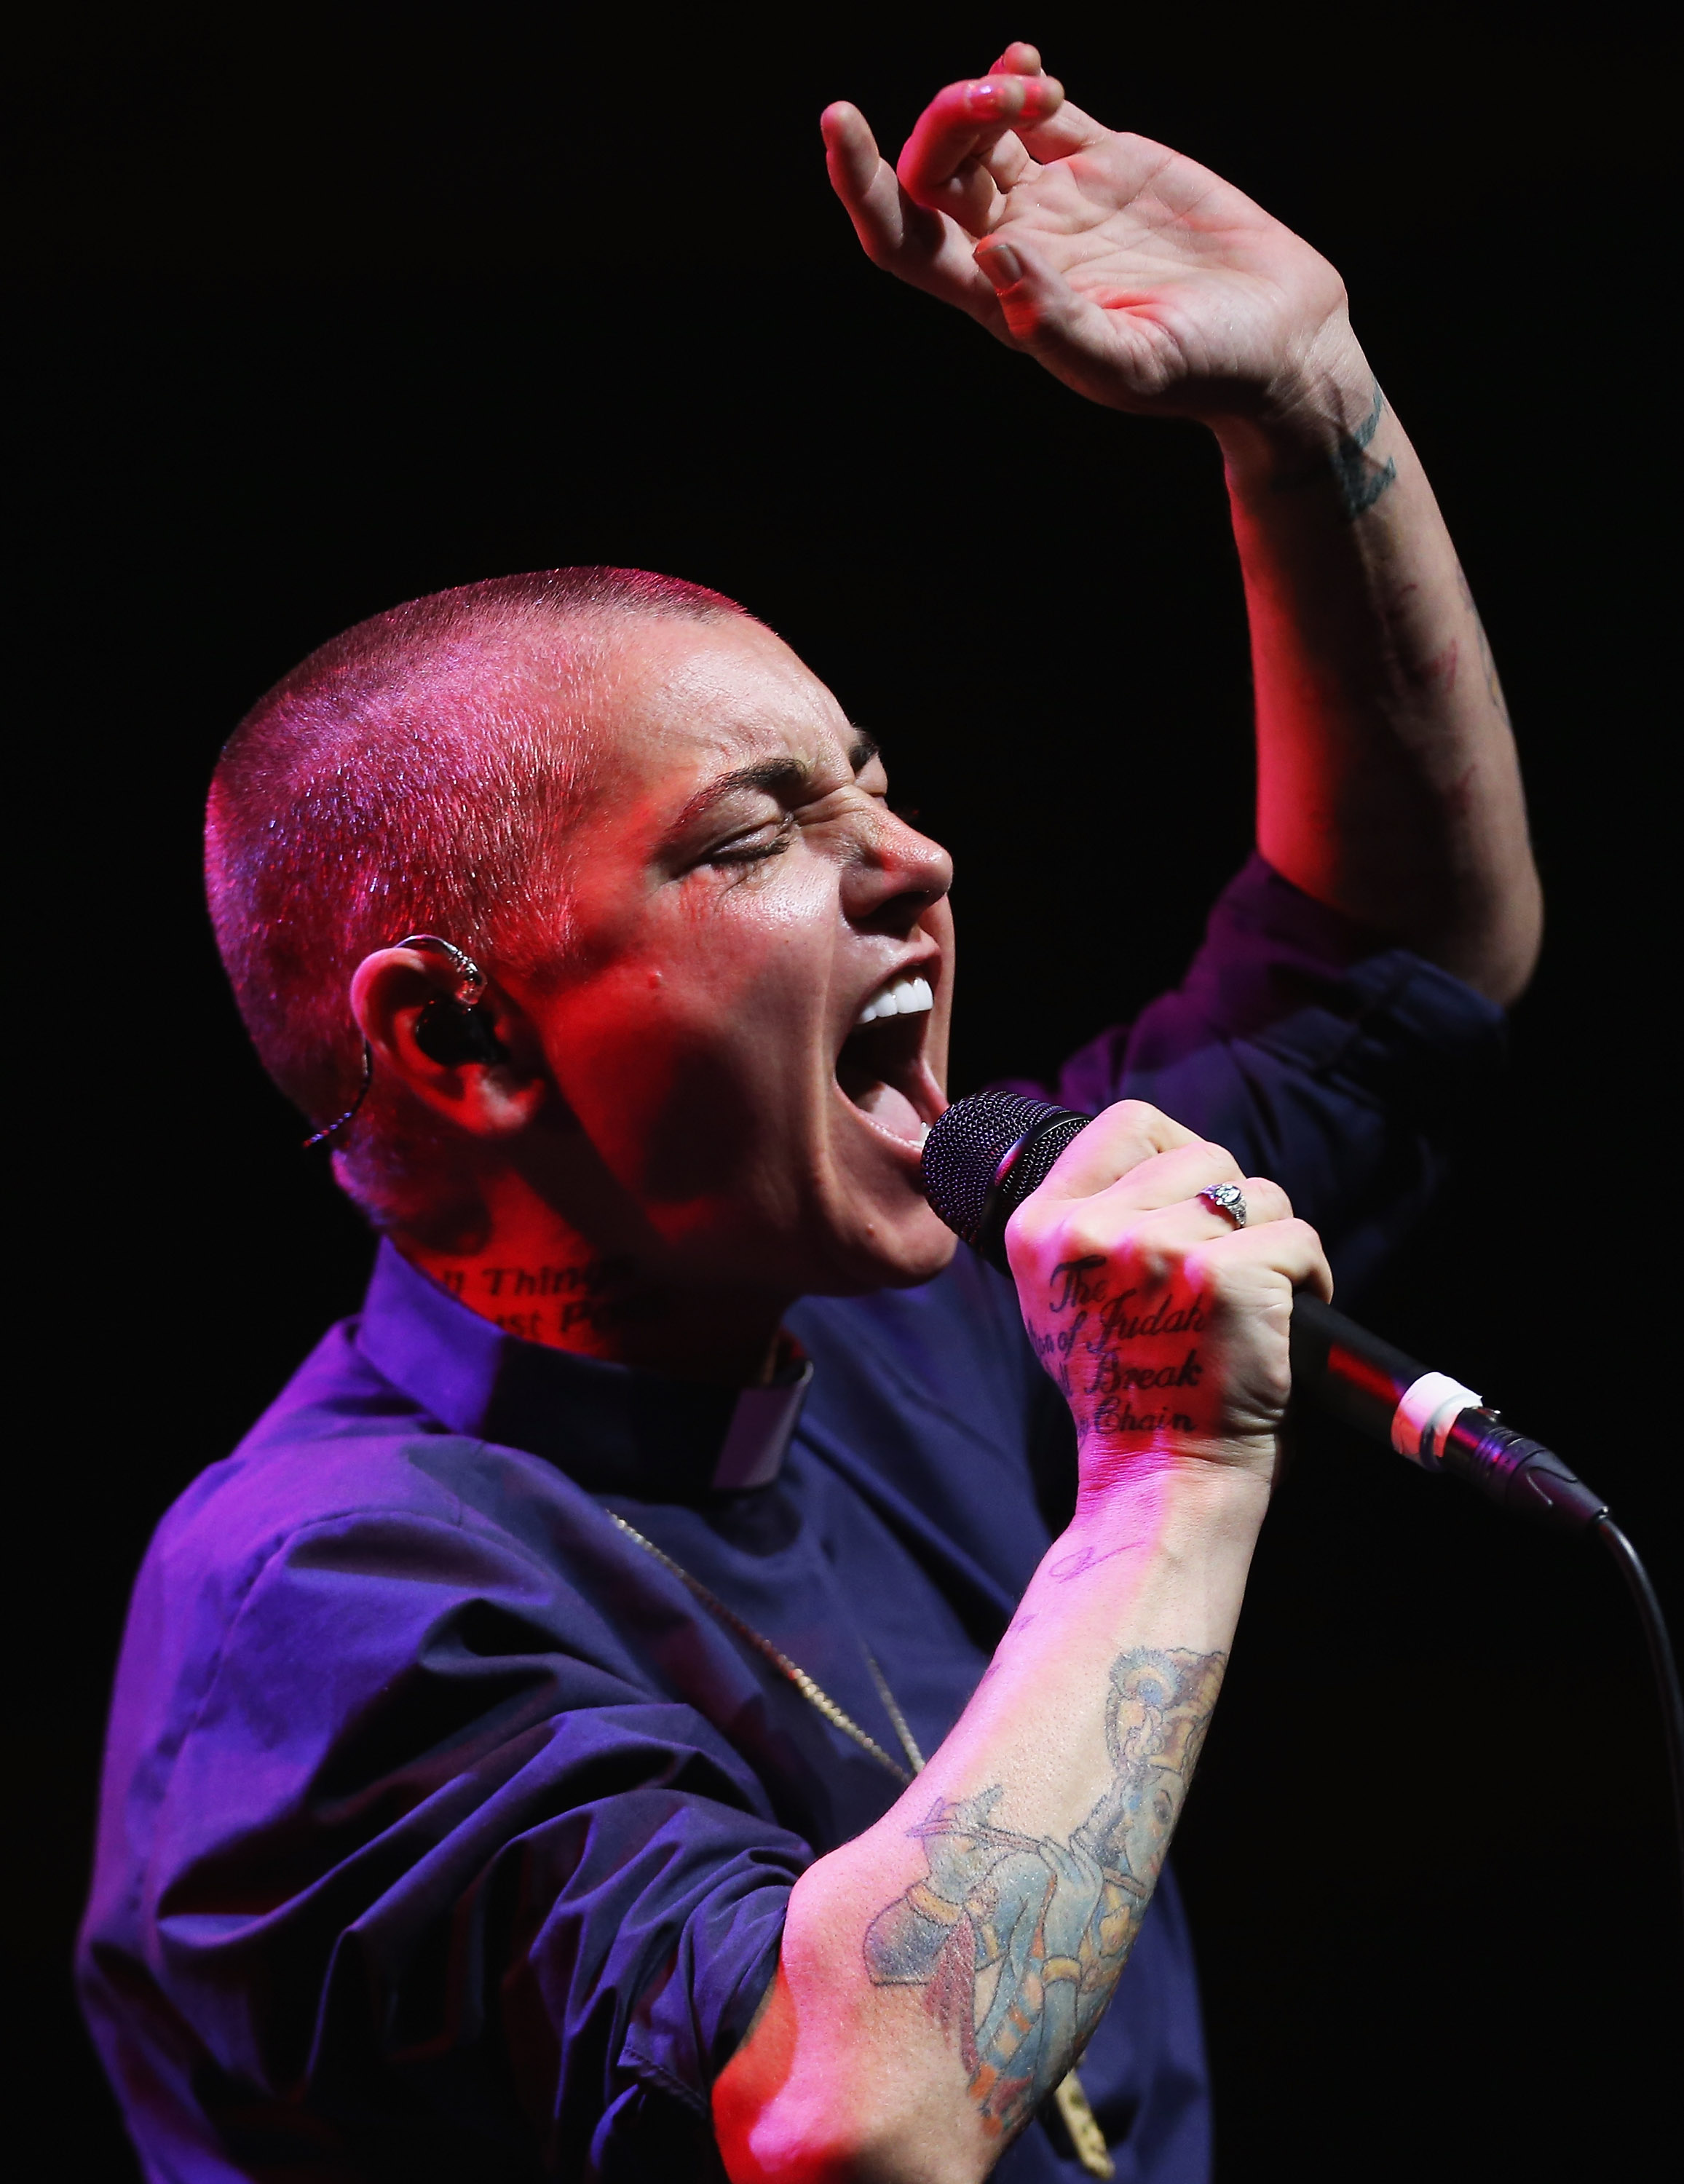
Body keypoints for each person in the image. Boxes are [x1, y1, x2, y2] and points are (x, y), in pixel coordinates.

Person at [79, 42, 1541, 2184]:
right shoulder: (318, 1598)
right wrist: (1166, 1471)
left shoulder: (912, 1303)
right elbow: (849, 2123)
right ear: (463, 1045)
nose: (912, 862)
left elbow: (1390, 963)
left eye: (873, 777)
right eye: (759, 831)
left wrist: (1298, 395)